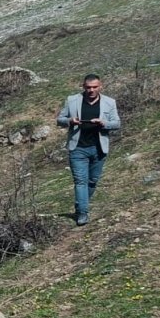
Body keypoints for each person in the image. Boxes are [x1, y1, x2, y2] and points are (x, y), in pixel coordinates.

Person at [56, 74, 121, 226]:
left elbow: (116, 123)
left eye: (94, 87)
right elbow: (59, 120)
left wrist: (103, 123)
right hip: (77, 148)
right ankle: (82, 213)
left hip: (99, 148)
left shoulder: (110, 102)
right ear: (83, 87)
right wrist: (69, 121)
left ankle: (81, 203)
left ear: (100, 86)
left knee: (92, 181)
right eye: (88, 87)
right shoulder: (72, 100)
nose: (91, 90)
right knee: (80, 181)